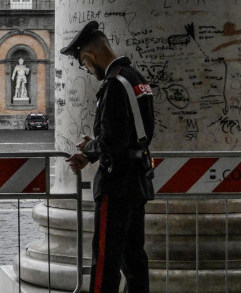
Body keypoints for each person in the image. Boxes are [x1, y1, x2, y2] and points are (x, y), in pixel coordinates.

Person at [62, 21, 155, 293]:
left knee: (105, 259)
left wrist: (88, 150)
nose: (87, 71)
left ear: (90, 56)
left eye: (84, 64)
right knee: (134, 256)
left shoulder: (114, 85)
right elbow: (133, 134)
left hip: (116, 185)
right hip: (137, 180)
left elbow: (113, 141)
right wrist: (93, 149)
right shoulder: (137, 79)